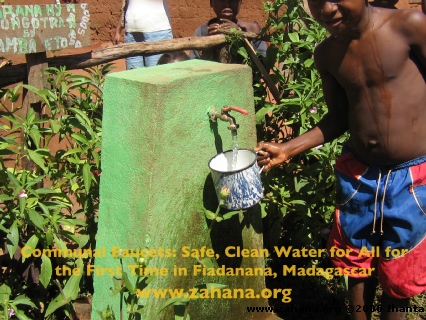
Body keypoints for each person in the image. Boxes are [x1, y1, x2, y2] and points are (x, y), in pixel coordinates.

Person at [255, 1, 426, 319]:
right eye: (317, 0)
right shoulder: (328, 54)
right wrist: (289, 148)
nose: (327, 9)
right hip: (358, 174)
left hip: (412, 177)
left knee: (399, 270)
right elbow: (338, 119)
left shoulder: (409, 26)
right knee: (355, 259)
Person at [189, 0, 267, 63]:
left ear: (240, 3)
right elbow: (193, 67)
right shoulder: (202, 32)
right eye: (222, 0)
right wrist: (208, 44)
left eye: (233, 0)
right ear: (211, 2)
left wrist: (242, 36)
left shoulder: (252, 30)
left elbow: (264, 67)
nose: (227, 4)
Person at [113, 0, 173, 69]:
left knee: (156, 76)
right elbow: (125, 5)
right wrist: (118, 30)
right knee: (133, 77)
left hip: (156, 32)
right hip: (132, 34)